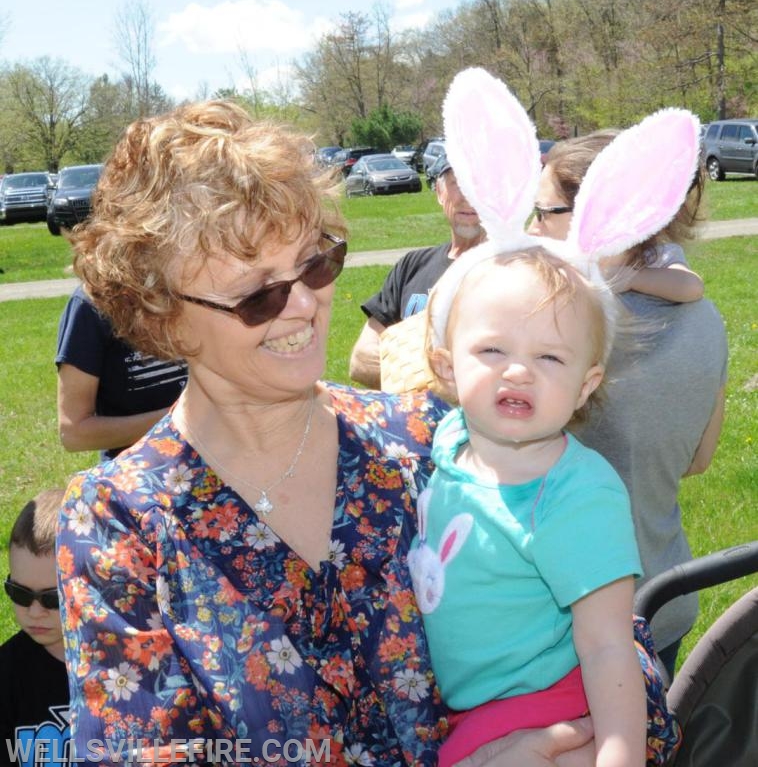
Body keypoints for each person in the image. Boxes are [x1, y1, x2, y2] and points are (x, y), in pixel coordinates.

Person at [56, 99, 596, 767]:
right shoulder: (121, 527)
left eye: (315, 264)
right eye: (257, 293)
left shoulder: (433, 444)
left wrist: (576, 743)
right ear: (163, 321)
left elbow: (606, 627)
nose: (306, 305)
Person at [414, 248, 645, 767]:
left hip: (546, 707)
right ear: (446, 367)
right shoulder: (449, 442)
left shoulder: (575, 495)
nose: (518, 371)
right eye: (493, 349)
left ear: (585, 385)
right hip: (470, 706)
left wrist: (618, 758)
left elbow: (608, 645)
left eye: (550, 357)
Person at [530, 132, 728, 679]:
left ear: (598, 210)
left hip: (570, 624)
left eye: (543, 212)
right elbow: (699, 458)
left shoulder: (564, 328)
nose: (531, 229)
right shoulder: (707, 321)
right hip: (666, 596)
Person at [349, 156, 485, 388]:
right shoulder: (412, 265)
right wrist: (445, 374)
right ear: (440, 194)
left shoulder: (509, 271)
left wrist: (402, 368)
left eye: (480, 185)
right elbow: (360, 359)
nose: (468, 196)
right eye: (458, 184)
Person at [528, 131, 704, 305]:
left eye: (543, 213)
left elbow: (692, 287)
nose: (531, 230)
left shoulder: (656, 256)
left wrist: (632, 278)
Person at [56, 285, 188, 459]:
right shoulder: (92, 303)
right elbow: (74, 433)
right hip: (142, 474)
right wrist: (179, 418)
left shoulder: (200, 287)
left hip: (222, 464)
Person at [1, 489, 70, 766]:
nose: (34, 611)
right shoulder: (7, 672)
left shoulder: (129, 664)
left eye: (52, 598)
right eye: (20, 593)